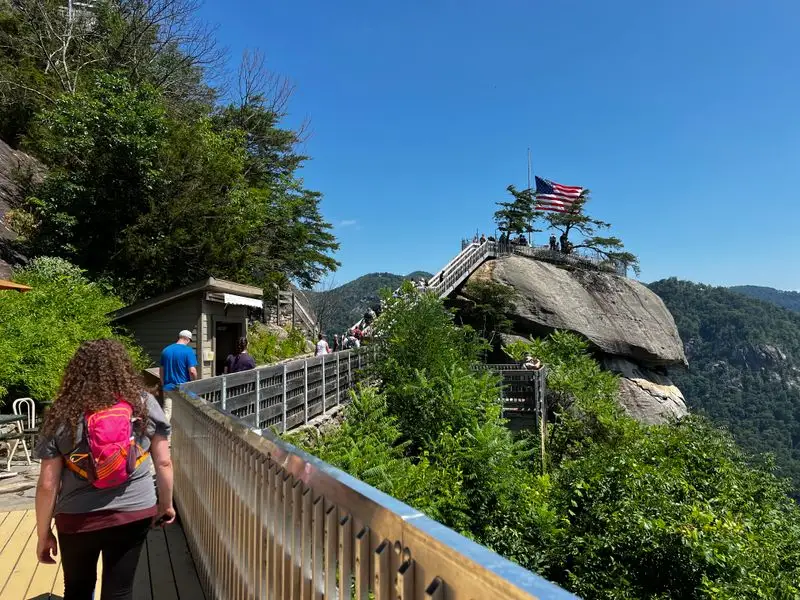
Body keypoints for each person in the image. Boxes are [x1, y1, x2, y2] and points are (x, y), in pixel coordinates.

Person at [34, 339, 174, 600]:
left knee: (77, 588)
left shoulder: (63, 411)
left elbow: (47, 484)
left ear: (76, 371)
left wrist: (43, 534)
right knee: (119, 590)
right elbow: (164, 462)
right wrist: (165, 505)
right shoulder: (143, 403)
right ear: (123, 367)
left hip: (77, 516)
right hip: (134, 510)